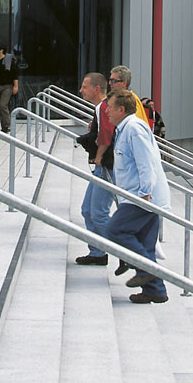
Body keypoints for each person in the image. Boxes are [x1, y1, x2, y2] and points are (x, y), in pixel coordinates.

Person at [105, 89, 171, 303]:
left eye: (110, 107)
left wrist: (145, 193)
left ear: (121, 109)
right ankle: (156, 290)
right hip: (138, 195)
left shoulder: (133, 129)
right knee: (145, 242)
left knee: (115, 230)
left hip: (143, 197)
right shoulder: (125, 129)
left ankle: (145, 269)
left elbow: (147, 162)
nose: (106, 111)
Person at [75, 72, 117, 266]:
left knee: (98, 213)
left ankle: (130, 251)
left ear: (96, 89)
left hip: (107, 166)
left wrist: (98, 157)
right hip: (104, 167)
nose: (81, 90)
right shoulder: (102, 108)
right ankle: (98, 252)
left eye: (85, 87)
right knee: (87, 210)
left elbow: (106, 136)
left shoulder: (103, 106)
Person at [0, 44, 20, 134]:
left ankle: (7, 125)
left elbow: (14, 74)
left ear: (1, 50)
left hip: (7, 86)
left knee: (3, 104)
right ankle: (3, 127)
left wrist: (16, 86)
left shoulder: (9, 61)